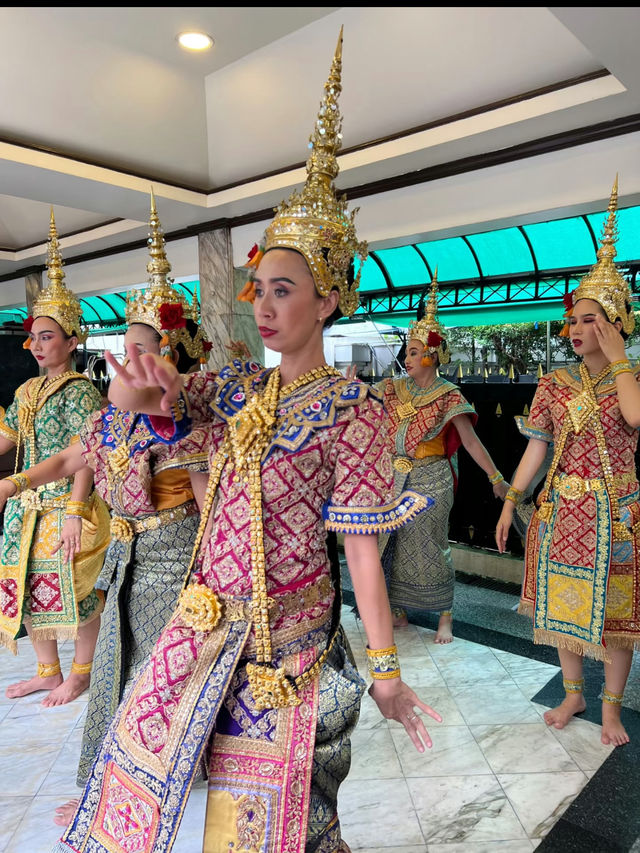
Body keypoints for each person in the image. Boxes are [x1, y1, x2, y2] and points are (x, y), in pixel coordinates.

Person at [52, 30, 442, 853]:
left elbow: (363, 554)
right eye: (259, 289)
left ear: (329, 297)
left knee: (277, 828)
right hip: (204, 625)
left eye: (285, 290)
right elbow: (134, 397)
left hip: (288, 647)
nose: (264, 306)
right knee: (141, 800)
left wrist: (386, 671)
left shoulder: (354, 411)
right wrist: (144, 373)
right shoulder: (235, 386)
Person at [0, 195, 219, 824]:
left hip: (175, 561)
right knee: (117, 675)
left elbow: (210, 514)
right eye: (120, 348)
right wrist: (11, 488)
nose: (121, 363)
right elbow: (69, 463)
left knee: (160, 680)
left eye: (139, 350)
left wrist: (211, 582)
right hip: (125, 555)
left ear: (170, 359)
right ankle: (109, 775)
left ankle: (147, 780)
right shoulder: (110, 421)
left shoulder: (188, 431)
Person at [496, 176, 640, 747]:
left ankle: (611, 708)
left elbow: (634, 419)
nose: (579, 329)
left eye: (592, 320)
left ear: (615, 321)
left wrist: (621, 354)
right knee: (563, 602)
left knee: (620, 614)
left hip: (621, 511)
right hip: (564, 511)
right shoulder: (554, 384)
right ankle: (574, 692)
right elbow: (537, 447)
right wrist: (512, 500)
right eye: (575, 320)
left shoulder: (634, 377)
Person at [0, 210, 110, 705]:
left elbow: (83, 457)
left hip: (65, 503)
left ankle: (80, 672)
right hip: (24, 506)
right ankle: (48, 669)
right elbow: (7, 438)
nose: (39, 345)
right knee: (24, 586)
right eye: (36, 336)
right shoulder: (26, 390)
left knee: (74, 589)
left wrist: (75, 512)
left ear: (71, 340)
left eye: (50, 336)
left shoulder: (81, 391)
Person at [379, 274, 509, 642]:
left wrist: (496, 478)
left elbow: (470, 442)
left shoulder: (449, 395)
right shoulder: (393, 387)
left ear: (433, 355)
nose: (407, 359)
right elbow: (361, 403)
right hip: (394, 476)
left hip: (431, 478)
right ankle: (398, 608)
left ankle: (445, 614)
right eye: (407, 352)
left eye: (414, 352)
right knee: (394, 542)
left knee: (430, 543)